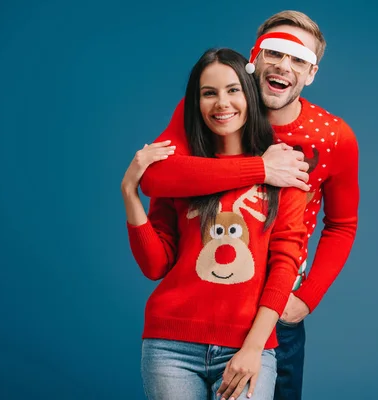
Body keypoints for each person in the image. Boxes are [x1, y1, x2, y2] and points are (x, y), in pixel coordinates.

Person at [139, 10, 360, 400]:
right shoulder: (215, 110)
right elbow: (156, 178)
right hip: (205, 304)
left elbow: (341, 224)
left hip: (276, 303)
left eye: (298, 59)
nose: (283, 66)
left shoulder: (334, 137)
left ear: (311, 74)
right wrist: (260, 168)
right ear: (253, 58)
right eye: (275, 52)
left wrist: (306, 299)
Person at [121, 48, 307, 400]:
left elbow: (284, 265)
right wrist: (129, 193)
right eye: (209, 93)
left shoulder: (285, 169)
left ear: (250, 95)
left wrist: (255, 348)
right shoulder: (182, 177)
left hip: (247, 346)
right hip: (170, 348)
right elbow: (155, 264)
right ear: (197, 102)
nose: (222, 103)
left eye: (233, 89)